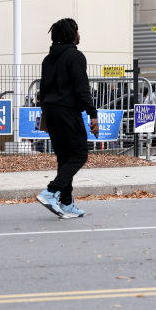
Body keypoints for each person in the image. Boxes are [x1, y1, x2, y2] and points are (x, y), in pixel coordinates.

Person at [35, 17, 99, 219]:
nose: (79, 34)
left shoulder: (48, 59)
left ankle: (67, 203)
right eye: (77, 30)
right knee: (80, 154)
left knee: (65, 158)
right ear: (71, 34)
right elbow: (82, 88)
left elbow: (43, 90)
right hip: (67, 111)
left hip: (51, 111)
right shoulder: (75, 56)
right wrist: (93, 114)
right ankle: (51, 191)